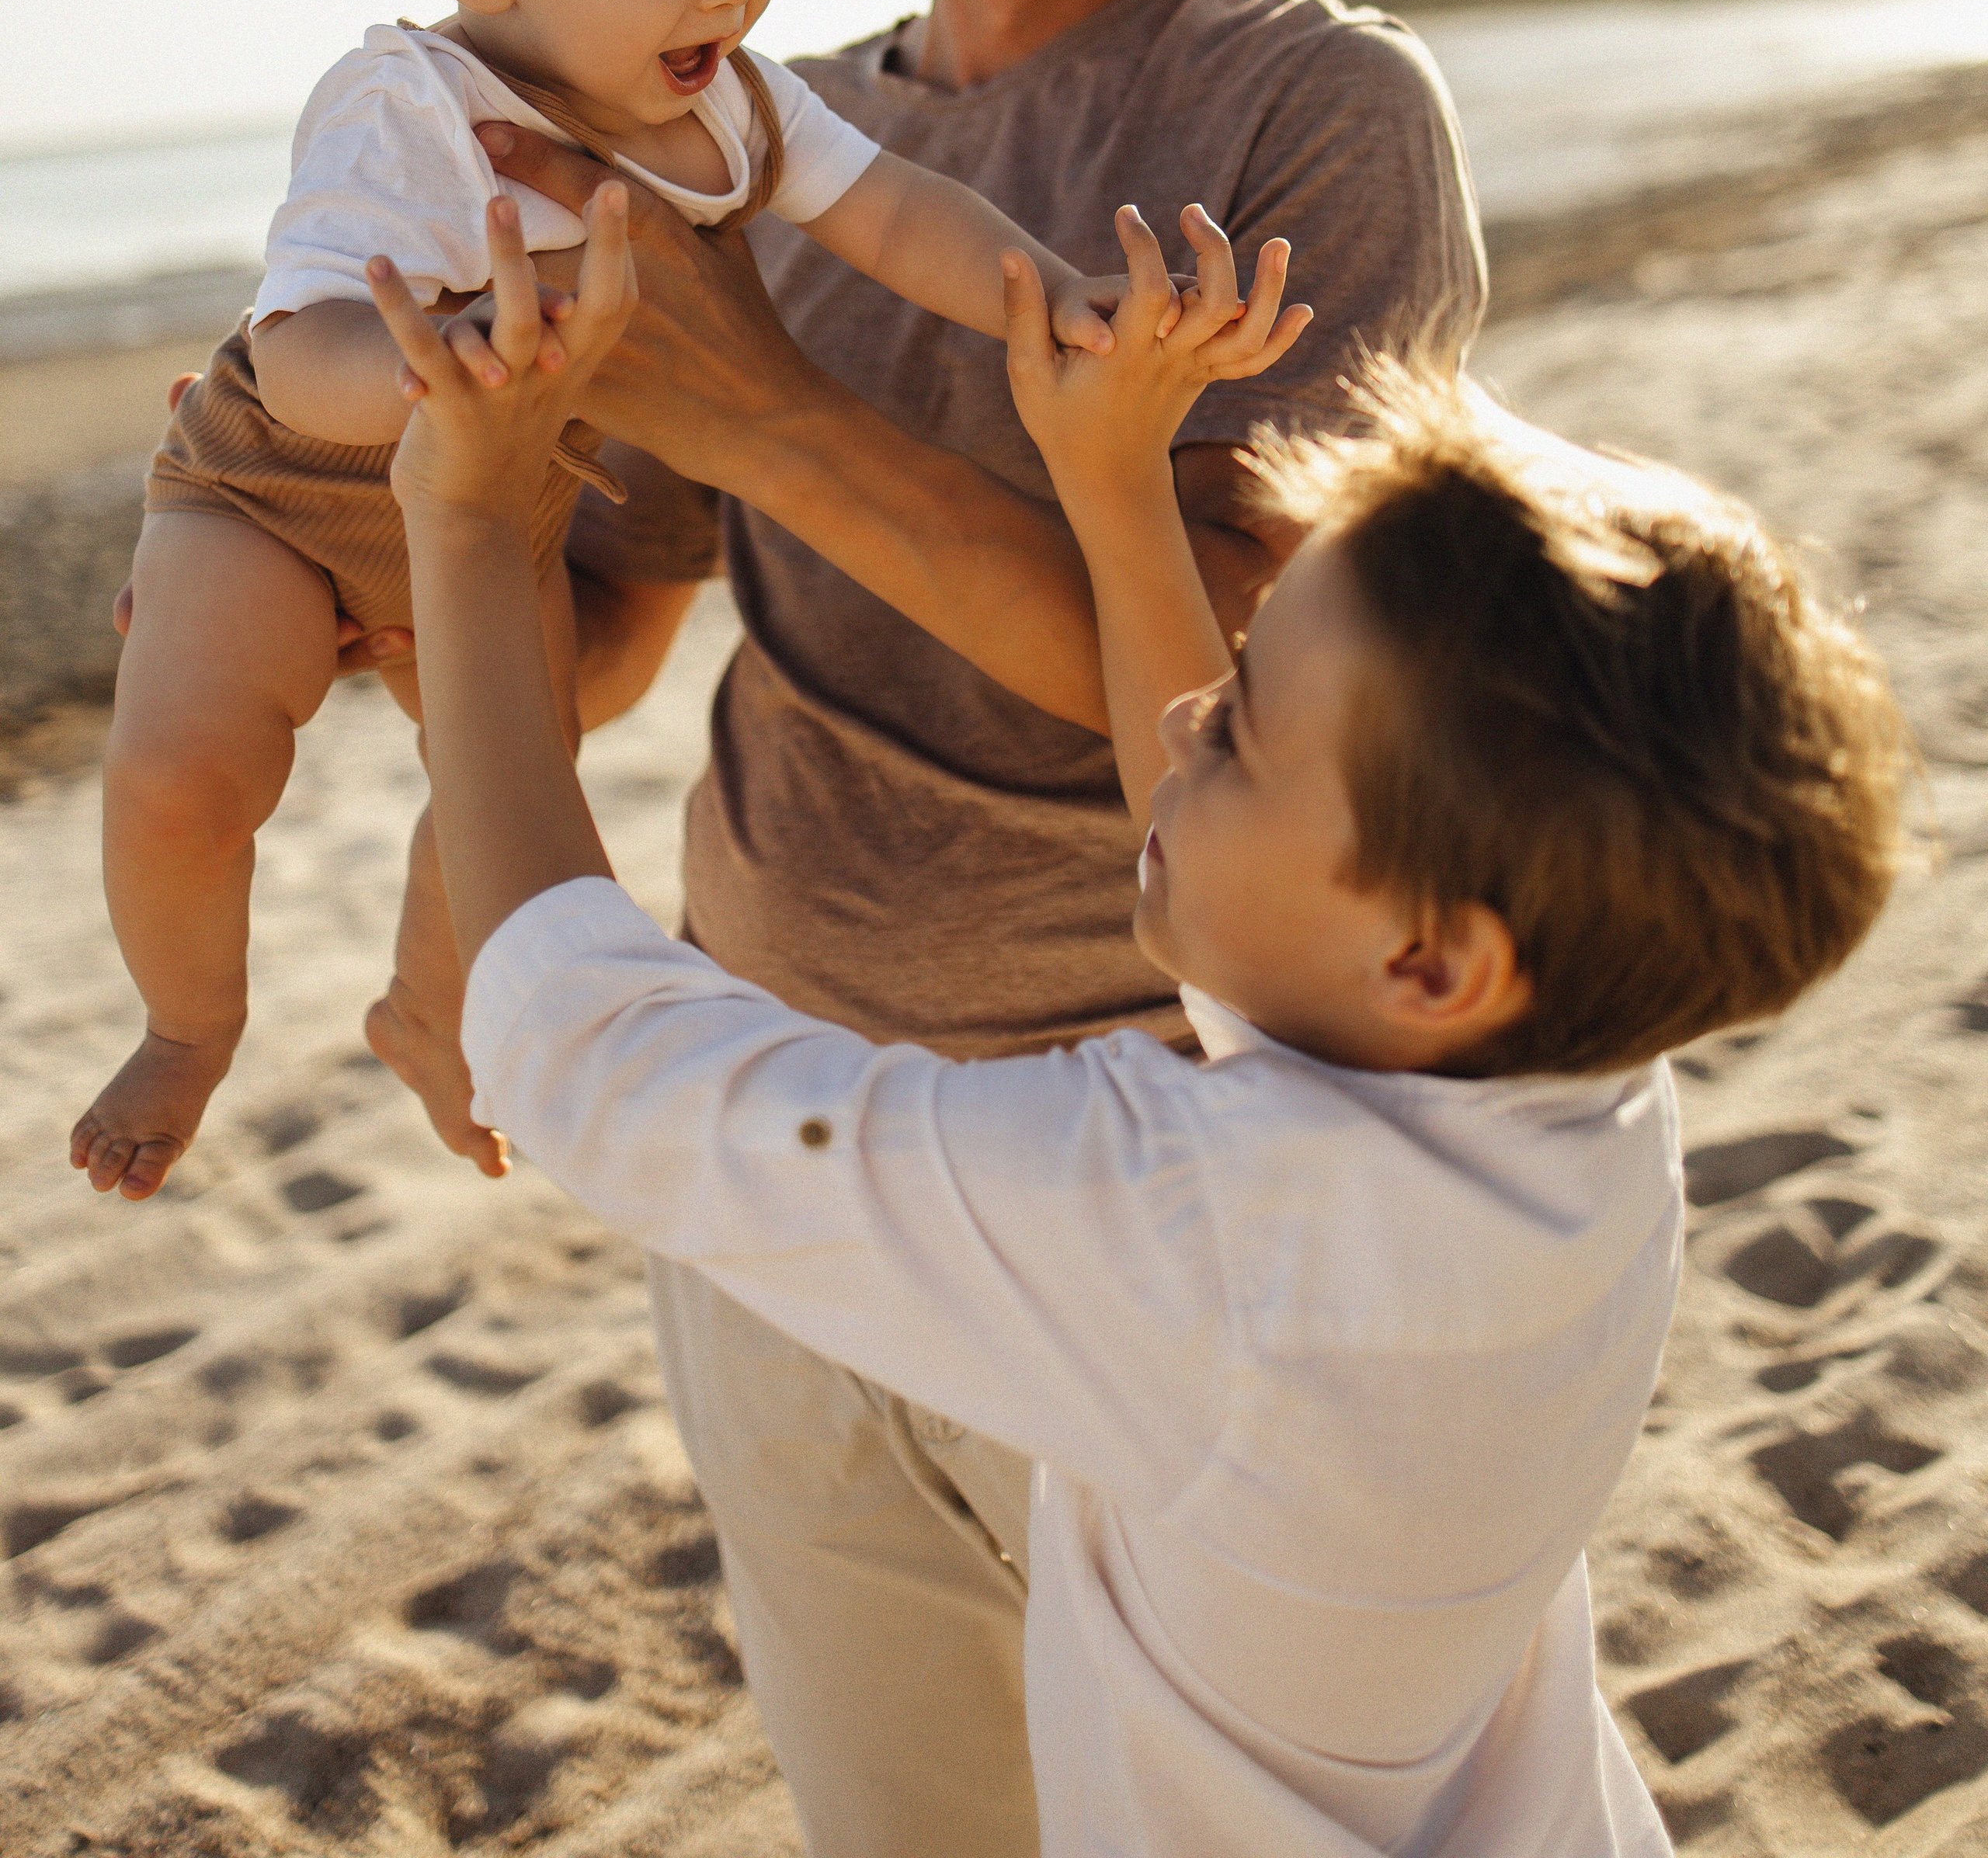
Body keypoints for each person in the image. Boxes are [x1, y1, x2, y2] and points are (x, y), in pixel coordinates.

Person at [364, 183, 1905, 1857]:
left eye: (1239, 730)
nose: (1181, 719)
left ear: (1430, 963)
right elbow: (1262, 938)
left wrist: (467, 520)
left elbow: (595, 1052)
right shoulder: (1568, 1077)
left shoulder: (1197, 1240)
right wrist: (1110, 482)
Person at [472, 0, 1486, 1852]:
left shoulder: (1315, 115)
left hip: (1139, 1183)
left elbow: (1246, 701)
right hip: (771, 1166)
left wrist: (771, 411)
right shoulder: (734, 127)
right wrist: (359, 541)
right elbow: (604, 626)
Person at [73, 0, 1278, 1207]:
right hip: (284, 489)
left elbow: (898, 210)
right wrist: (452, 357)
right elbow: (295, 348)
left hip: (499, 506)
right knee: (187, 772)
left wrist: (1057, 297)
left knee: (510, 782)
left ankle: (433, 1004)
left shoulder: (729, 107)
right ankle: (187, 1026)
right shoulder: (410, 108)